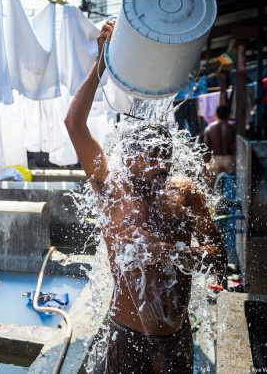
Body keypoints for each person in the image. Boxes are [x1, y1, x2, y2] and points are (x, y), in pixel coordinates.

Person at [64, 21, 226, 373]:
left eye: (166, 154)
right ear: (129, 158)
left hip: (177, 335)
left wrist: (174, 253)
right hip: (126, 334)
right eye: (152, 155)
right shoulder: (110, 186)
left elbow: (218, 260)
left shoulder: (186, 192)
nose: (161, 164)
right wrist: (99, 67)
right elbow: (74, 124)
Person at [203, 104, 236, 187]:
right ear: (228, 115)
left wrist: (204, 167)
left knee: (211, 186)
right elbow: (236, 147)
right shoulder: (232, 128)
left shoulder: (209, 129)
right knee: (232, 184)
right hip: (230, 159)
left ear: (217, 115)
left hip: (215, 160)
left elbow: (206, 149)